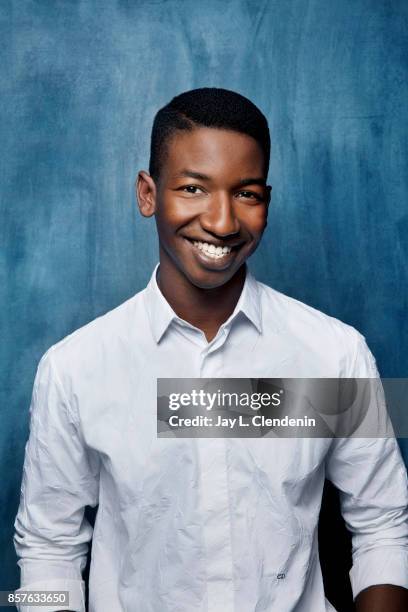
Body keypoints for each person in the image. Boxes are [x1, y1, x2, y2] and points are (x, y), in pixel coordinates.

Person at [13, 88, 408, 612]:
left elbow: (382, 522)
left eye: (246, 193)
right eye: (194, 188)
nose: (222, 222)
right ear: (147, 194)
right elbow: (47, 548)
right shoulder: (74, 369)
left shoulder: (334, 354)